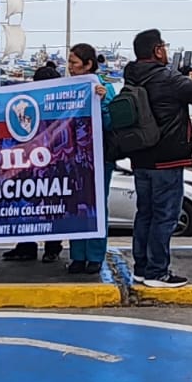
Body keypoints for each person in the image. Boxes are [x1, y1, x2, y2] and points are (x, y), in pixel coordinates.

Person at [121, 29, 192, 289]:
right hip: (167, 159)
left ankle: (141, 268)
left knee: (145, 215)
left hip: (141, 158)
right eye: (164, 46)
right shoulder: (169, 78)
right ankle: (158, 272)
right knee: (165, 217)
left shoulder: (132, 75)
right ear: (158, 50)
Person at [2, 62, 64, 263]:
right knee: (32, 206)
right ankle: (36, 248)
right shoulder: (31, 106)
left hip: (48, 163)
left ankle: (47, 248)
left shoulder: (59, 108)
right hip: (33, 163)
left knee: (45, 207)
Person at [65, 44, 115, 275]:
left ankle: (95, 256)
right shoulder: (67, 87)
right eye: (70, 63)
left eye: (75, 63)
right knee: (76, 206)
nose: (71, 68)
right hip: (75, 158)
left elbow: (110, 124)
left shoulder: (105, 88)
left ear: (88, 64)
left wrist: (103, 102)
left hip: (99, 157)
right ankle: (77, 256)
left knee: (97, 208)